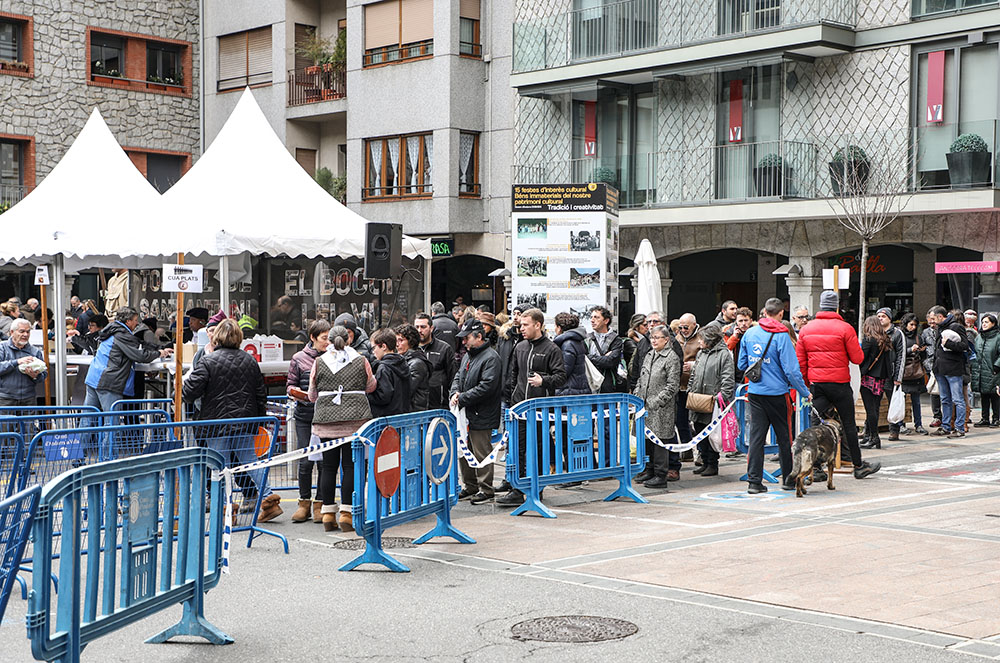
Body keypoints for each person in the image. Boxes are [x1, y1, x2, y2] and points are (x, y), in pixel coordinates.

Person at [181, 318, 279, 521]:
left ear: (217, 337)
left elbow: (189, 392)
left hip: (215, 423)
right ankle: (269, 499)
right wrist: (259, 421)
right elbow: (261, 394)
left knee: (218, 465)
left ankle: (226, 506)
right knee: (250, 461)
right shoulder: (249, 360)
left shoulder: (208, 361)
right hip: (245, 421)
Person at [796, 290, 879, 481]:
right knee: (849, 424)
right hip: (840, 384)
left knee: (814, 425)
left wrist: (808, 385)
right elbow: (858, 358)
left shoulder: (806, 329)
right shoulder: (845, 328)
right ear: (836, 306)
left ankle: (815, 468)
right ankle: (858, 466)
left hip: (817, 385)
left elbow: (801, 362)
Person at [738, 298, 812, 494]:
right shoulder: (782, 336)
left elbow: (741, 364)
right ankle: (788, 479)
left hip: (755, 392)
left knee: (756, 437)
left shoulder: (750, 333)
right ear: (781, 314)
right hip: (778, 394)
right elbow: (791, 370)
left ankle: (754, 481)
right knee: (784, 437)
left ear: (764, 312)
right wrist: (805, 392)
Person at [309, 325, 377, 532]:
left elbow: (312, 394)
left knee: (328, 467)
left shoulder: (319, 362)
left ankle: (328, 513)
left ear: (329, 340)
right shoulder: (361, 360)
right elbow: (371, 386)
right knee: (350, 466)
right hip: (355, 421)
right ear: (348, 339)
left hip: (326, 421)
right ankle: (347, 512)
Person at [497, 308, 566, 506]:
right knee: (517, 449)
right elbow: (513, 375)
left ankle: (537, 487)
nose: (521, 328)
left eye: (525, 325)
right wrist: (511, 402)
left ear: (538, 325)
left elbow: (561, 377)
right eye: (520, 325)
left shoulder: (551, 349)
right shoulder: (520, 347)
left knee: (537, 450)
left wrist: (543, 380)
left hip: (539, 411)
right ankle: (517, 489)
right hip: (519, 409)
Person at [450, 319, 503, 504]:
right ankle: (470, 485)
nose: (464, 342)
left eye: (467, 338)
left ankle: (486, 489)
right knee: (465, 451)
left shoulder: (491, 357)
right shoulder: (469, 356)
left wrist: (461, 397)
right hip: (466, 413)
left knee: (481, 452)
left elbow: (487, 386)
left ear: (479, 336)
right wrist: (455, 393)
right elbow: (458, 376)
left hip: (482, 413)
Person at [85, 307, 172, 412]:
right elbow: (140, 356)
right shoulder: (122, 335)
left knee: (88, 418)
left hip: (94, 377)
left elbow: (139, 343)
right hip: (108, 381)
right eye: (135, 320)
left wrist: (159, 348)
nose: (137, 323)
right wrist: (159, 353)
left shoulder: (114, 330)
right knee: (112, 421)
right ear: (128, 321)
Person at [286, 319, 330, 524]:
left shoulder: (333, 357)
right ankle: (303, 502)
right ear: (312, 338)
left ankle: (320, 503)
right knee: (305, 461)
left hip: (326, 416)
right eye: (324, 338)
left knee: (323, 462)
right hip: (304, 415)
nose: (327, 342)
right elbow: (290, 384)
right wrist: (296, 393)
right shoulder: (298, 359)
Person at [632, 324, 681, 488]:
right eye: (652, 337)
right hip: (645, 405)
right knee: (647, 440)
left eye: (657, 337)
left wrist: (656, 401)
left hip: (661, 408)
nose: (653, 340)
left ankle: (661, 475)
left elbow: (672, 385)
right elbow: (641, 377)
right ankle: (649, 470)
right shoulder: (649, 355)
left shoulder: (671, 358)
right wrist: (638, 394)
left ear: (666, 339)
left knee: (660, 441)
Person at [688, 325, 735, 478]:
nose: (699, 342)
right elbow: (694, 374)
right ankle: (705, 461)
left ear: (710, 340)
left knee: (711, 432)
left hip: (713, 400)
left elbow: (728, 378)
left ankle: (712, 463)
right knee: (699, 429)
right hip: (698, 399)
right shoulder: (701, 353)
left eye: (701, 339)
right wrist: (690, 390)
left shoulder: (724, 354)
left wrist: (723, 397)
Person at [929, 306, 969, 438]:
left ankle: (959, 428)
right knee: (945, 399)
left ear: (941, 316)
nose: (932, 321)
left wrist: (949, 344)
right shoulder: (939, 328)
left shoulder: (956, 327)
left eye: (934, 318)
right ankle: (946, 426)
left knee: (957, 399)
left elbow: (964, 346)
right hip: (940, 369)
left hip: (953, 369)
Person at [859, 315, 895, 450]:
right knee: (875, 407)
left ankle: (874, 437)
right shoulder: (885, 340)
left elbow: (861, 358)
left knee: (870, 409)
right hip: (881, 378)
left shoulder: (869, 340)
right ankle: (869, 436)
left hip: (868, 377)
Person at [673, 313, 701, 476]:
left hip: (696, 387)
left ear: (694, 325)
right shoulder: (677, 338)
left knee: (699, 421)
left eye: (686, 327)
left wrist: (694, 365)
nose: (683, 330)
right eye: (680, 327)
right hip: (679, 386)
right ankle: (687, 449)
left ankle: (704, 455)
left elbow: (707, 360)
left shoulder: (700, 338)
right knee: (681, 420)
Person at [874, 307, 906, 442]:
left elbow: (901, 356)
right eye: (878, 316)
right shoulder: (874, 333)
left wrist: (898, 377)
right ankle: (869, 429)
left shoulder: (897, 334)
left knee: (893, 402)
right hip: (877, 374)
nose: (880, 318)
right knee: (873, 403)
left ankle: (894, 430)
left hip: (891, 374)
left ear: (889, 318)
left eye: (883, 316)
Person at [415, 313, 456, 410]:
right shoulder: (410, 349)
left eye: (423, 327)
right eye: (417, 327)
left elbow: (453, 375)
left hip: (439, 404)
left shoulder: (444, 348)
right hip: (416, 406)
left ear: (431, 328)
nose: (419, 330)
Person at [0, 318, 46, 406]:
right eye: (22, 331)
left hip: (28, 399)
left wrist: (35, 376)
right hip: (5, 398)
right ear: (12, 332)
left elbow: (44, 375)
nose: (25, 334)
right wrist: (16, 362)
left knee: (28, 420)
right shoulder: (2, 348)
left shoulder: (35, 352)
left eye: (28, 332)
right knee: (7, 420)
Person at [368, 328, 412, 417]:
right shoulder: (403, 363)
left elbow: (383, 397)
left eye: (374, 347)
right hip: (402, 415)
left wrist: (366, 395)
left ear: (383, 346)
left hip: (386, 418)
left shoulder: (384, 368)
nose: (373, 351)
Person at [899, 312, 928, 435]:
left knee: (916, 400)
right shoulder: (899, 336)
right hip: (903, 372)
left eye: (915, 325)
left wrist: (921, 350)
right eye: (911, 324)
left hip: (916, 373)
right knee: (902, 401)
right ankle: (900, 424)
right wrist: (911, 350)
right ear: (905, 324)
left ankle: (919, 424)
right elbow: (896, 353)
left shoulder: (918, 337)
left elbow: (923, 356)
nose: (913, 327)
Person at [587, 307, 625, 393]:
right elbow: (583, 359)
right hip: (589, 386)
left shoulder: (616, 339)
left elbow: (610, 362)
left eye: (596, 317)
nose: (592, 320)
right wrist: (603, 358)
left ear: (606, 321)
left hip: (607, 388)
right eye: (591, 317)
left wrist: (589, 358)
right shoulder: (587, 339)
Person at [971, 313, 1000, 428]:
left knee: (994, 395)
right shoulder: (979, 337)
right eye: (982, 322)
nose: (984, 324)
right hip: (980, 370)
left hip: (993, 371)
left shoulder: (998, 337)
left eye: (986, 322)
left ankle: (996, 418)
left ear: (993, 323)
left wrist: (997, 366)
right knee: (984, 395)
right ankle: (984, 418)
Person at [396, 323, 431, 411]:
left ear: (410, 342)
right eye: (396, 341)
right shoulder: (404, 359)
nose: (397, 344)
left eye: (401, 340)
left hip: (414, 412)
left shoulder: (416, 363)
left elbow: (407, 390)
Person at [553, 312, 589, 396]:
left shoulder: (567, 344)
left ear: (559, 328)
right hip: (576, 388)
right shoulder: (577, 340)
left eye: (555, 326)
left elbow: (565, 371)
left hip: (569, 390)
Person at [628, 311, 661, 393]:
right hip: (639, 381)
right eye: (645, 325)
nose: (648, 326)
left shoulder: (647, 340)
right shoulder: (631, 342)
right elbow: (635, 365)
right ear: (636, 326)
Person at [497, 307, 523, 405]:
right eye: (514, 314)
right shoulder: (504, 338)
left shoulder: (528, 341)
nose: (515, 317)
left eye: (519, 314)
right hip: (503, 392)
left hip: (521, 395)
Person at [922, 309, 943, 427]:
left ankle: (948, 417)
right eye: (930, 321)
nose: (932, 324)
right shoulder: (925, 332)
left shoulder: (944, 330)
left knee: (945, 392)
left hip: (944, 364)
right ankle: (937, 416)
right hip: (930, 365)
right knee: (934, 391)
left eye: (934, 321)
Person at [726, 307, 755, 382]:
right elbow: (726, 349)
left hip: (751, 375)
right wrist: (734, 337)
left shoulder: (756, 334)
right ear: (736, 322)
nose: (743, 324)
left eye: (746, 320)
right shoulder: (728, 333)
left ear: (751, 321)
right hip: (734, 376)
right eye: (740, 321)